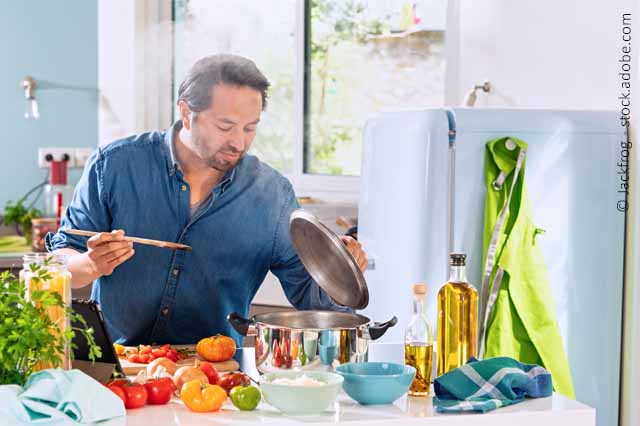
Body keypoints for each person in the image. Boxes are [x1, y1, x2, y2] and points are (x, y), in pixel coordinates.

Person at [46, 54, 367, 345]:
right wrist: (89, 264)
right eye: (225, 126)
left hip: (214, 374)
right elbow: (58, 263)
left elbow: (311, 298)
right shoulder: (114, 165)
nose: (238, 142)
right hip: (115, 365)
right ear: (186, 113)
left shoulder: (273, 195)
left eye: (250, 128)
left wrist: (340, 270)